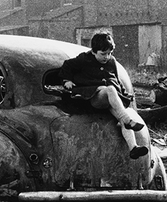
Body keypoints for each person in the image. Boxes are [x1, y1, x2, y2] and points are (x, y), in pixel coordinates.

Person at [59, 32, 149, 160]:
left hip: (110, 100)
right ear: (93, 51)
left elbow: (116, 80)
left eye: (109, 53)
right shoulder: (84, 59)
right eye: (103, 54)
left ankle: (133, 147)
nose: (107, 57)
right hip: (95, 97)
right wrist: (66, 80)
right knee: (111, 91)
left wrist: (124, 94)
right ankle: (127, 120)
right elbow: (67, 65)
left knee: (121, 116)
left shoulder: (111, 61)